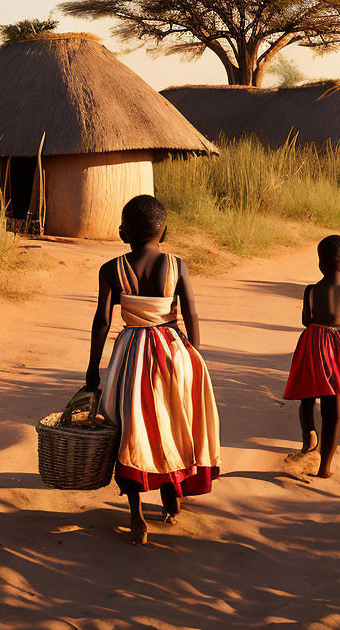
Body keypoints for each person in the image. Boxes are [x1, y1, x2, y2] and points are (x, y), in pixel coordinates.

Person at [82, 195, 221, 546]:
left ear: (122, 232)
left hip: (130, 353)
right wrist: (195, 354)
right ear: (165, 230)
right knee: (173, 424)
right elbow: (191, 312)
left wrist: (92, 369)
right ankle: (172, 497)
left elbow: (102, 320)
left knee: (131, 429)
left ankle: (136, 514)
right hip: (175, 351)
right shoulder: (177, 265)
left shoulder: (111, 269)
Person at [283, 235, 340, 478]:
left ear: (320, 265)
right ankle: (325, 468)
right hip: (336, 347)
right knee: (332, 409)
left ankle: (308, 437)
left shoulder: (310, 289)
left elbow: (306, 320)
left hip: (312, 343)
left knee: (306, 395)